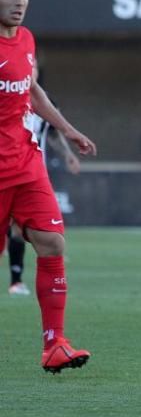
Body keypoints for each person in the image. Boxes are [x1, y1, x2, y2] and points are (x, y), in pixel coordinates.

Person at [0, 0, 96, 370]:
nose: (19, 2)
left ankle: (54, 344)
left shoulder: (25, 40)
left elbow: (33, 91)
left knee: (53, 243)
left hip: (26, 160)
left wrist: (69, 131)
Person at [8, 90, 82, 297]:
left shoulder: (44, 100)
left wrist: (68, 154)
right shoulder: (8, 95)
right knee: (14, 227)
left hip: (35, 172)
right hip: (9, 170)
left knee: (19, 228)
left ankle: (16, 280)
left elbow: (53, 133)